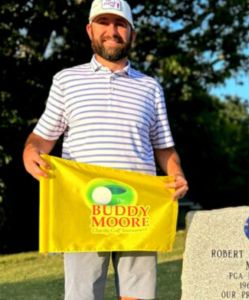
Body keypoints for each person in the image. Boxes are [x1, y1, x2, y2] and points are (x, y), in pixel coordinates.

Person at [22, 0, 188, 299]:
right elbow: (41, 140)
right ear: (90, 30)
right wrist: (30, 153)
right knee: (83, 295)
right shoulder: (66, 80)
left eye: (120, 24)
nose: (112, 31)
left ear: (131, 33)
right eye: (104, 23)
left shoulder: (150, 87)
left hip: (139, 210)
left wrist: (175, 173)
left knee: (138, 296)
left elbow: (164, 148)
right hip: (82, 210)